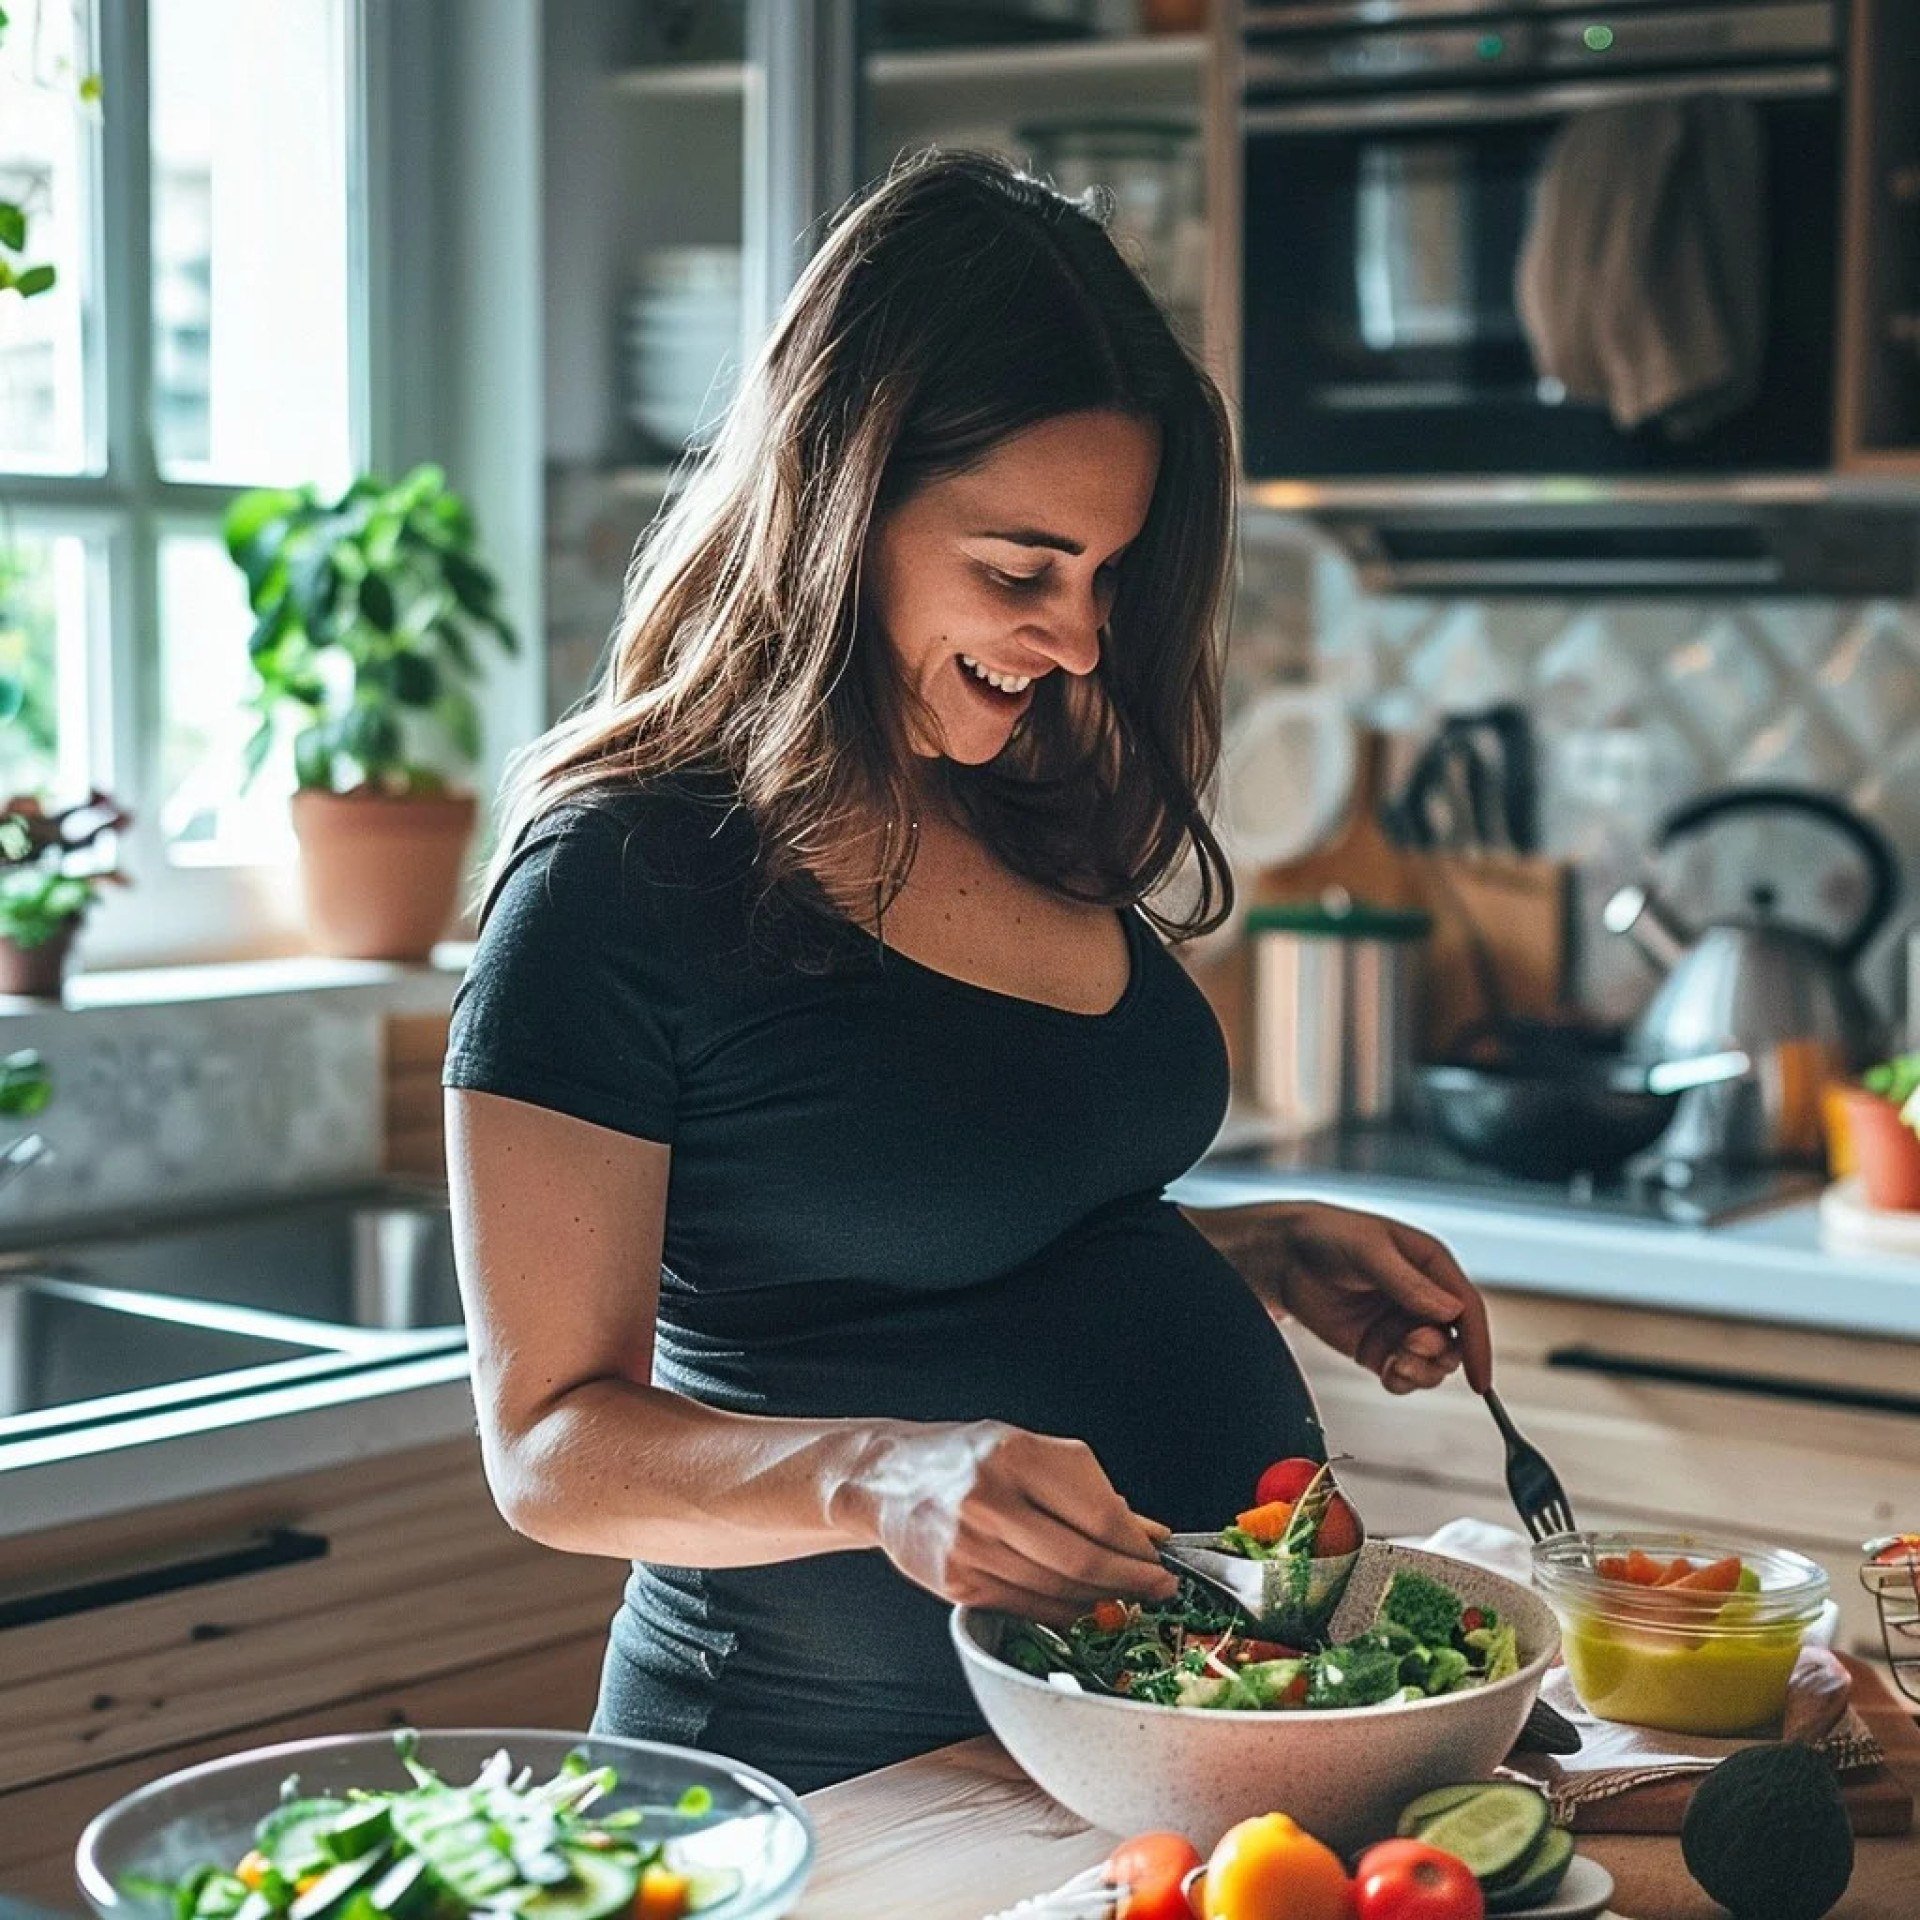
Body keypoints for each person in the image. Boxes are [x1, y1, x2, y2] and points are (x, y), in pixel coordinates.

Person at [442, 149, 1492, 1794]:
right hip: (834, 1782)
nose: (1074, 640)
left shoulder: (1013, 794)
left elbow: (945, 1228)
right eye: (1020, 569)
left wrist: (1247, 1249)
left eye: (1106, 574)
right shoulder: (620, 884)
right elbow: (552, 1449)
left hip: (1143, 1753)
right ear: (836, 505)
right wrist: (882, 1477)